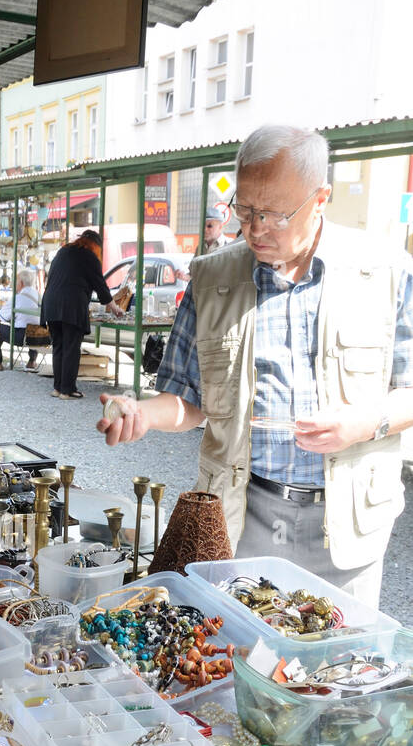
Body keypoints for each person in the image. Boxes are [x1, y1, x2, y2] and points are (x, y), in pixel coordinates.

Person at [97, 125, 413, 607]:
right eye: (243, 209)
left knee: (332, 668)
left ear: (321, 198)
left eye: (273, 214)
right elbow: (187, 400)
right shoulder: (211, 277)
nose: (255, 228)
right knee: (237, 659)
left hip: (348, 523)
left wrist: (363, 424)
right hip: (243, 515)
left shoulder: (387, 271)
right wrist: (141, 412)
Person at [41, 230, 120, 399]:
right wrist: (114, 307)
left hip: (51, 304)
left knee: (59, 346)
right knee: (71, 348)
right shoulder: (89, 256)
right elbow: (100, 285)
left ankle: (58, 387)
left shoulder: (63, 251)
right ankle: (67, 390)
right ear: (96, 246)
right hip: (71, 305)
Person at [0, 269, 43, 371]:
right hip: (41, 337)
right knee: (33, 325)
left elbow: (0, 318)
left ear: (20, 283)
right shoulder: (38, 295)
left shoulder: (18, 298)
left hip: (22, 337)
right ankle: (32, 361)